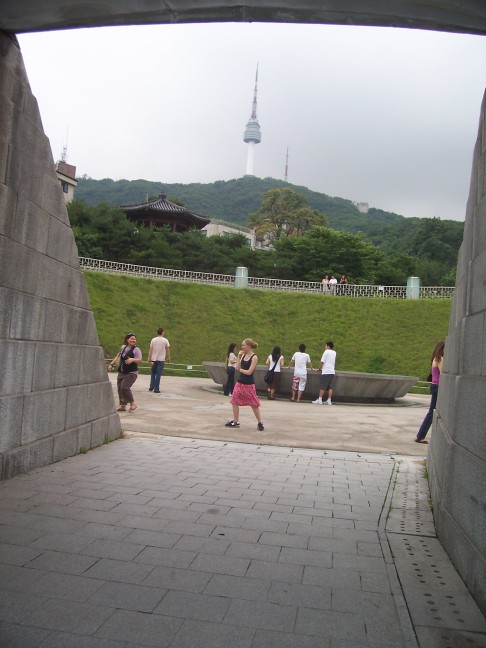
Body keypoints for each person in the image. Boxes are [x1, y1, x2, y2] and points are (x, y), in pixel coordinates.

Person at [225, 338, 264, 431]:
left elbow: (249, 372)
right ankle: (235, 421)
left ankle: (260, 422)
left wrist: (241, 370)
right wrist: (239, 356)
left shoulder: (254, 357)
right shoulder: (243, 355)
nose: (242, 347)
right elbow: (237, 367)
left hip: (249, 384)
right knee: (234, 401)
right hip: (240, 382)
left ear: (249, 346)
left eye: (243, 345)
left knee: (254, 404)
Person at [415, 341, 445, 444]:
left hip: (434, 386)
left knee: (432, 411)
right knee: (432, 412)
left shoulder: (434, 359)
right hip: (438, 387)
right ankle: (420, 436)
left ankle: (421, 435)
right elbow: (443, 373)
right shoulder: (440, 359)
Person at [109, 333, 142, 412]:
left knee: (125, 388)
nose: (133, 340)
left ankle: (133, 403)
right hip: (122, 371)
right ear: (127, 340)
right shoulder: (123, 347)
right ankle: (122, 405)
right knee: (120, 389)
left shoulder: (136, 349)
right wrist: (111, 364)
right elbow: (118, 356)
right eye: (131, 338)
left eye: (134, 339)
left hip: (131, 372)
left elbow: (140, 359)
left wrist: (132, 359)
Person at [313, 341, 336, 405]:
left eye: (325, 346)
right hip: (332, 371)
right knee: (330, 387)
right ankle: (329, 400)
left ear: (328, 346)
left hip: (326, 371)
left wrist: (319, 368)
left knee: (323, 386)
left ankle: (320, 399)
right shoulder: (334, 352)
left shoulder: (326, 352)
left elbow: (322, 361)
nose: (325, 347)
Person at [148, 327, 171, 393]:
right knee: (158, 374)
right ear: (162, 332)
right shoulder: (165, 340)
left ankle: (151, 386)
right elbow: (167, 350)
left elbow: (151, 349)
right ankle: (156, 388)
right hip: (161, 359)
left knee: (153, 373)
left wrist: (149, 358)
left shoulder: (153, 339)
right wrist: (168, 358)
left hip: (153, 359)